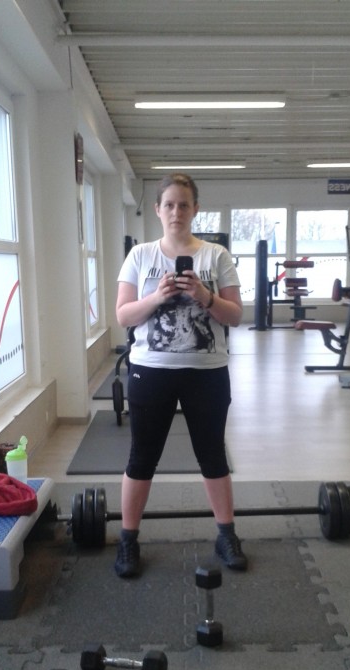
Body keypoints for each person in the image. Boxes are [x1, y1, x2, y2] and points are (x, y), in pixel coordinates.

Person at [114, 172, 246, 578]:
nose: (176, 212)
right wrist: (157, 297)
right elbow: (123, 316)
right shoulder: (140, 256)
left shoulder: (216, 256)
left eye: (184, 205)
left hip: (207, 372)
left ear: (195, 209)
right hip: (151, 372)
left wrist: (204, 296)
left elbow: (235, 316)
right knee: (142, 457)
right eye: (169, 205)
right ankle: (128, 540)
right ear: (157, 210)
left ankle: (226, 535)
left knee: (212, 454)